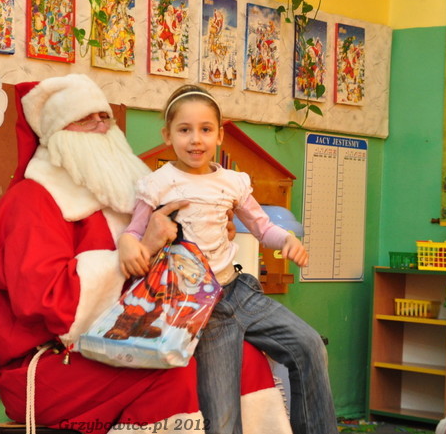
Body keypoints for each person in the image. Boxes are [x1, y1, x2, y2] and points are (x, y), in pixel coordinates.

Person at [0, 74, 290, 434]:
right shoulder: (30, 203)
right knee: (175, 372)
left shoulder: (117, 195)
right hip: (48, 366)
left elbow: (163, 268)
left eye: (105, 117)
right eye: (86, 119)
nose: (102, 126)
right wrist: (143, 249)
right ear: (58, 134)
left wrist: (209, 236)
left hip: (121, 340)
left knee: (242, 357)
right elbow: (48, 301)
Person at [118, 84, 338, 434]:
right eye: (184, 130)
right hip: (202, 310)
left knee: (309, 346)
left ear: (219, 135)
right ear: (167, 135)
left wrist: (288, 239)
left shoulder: (233, 182)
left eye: (205, 129)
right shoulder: (158, 184)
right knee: (222, 420)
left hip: (240, 292)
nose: (196, 140)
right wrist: (128, 245)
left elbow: (263, 227)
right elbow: (135, 231)